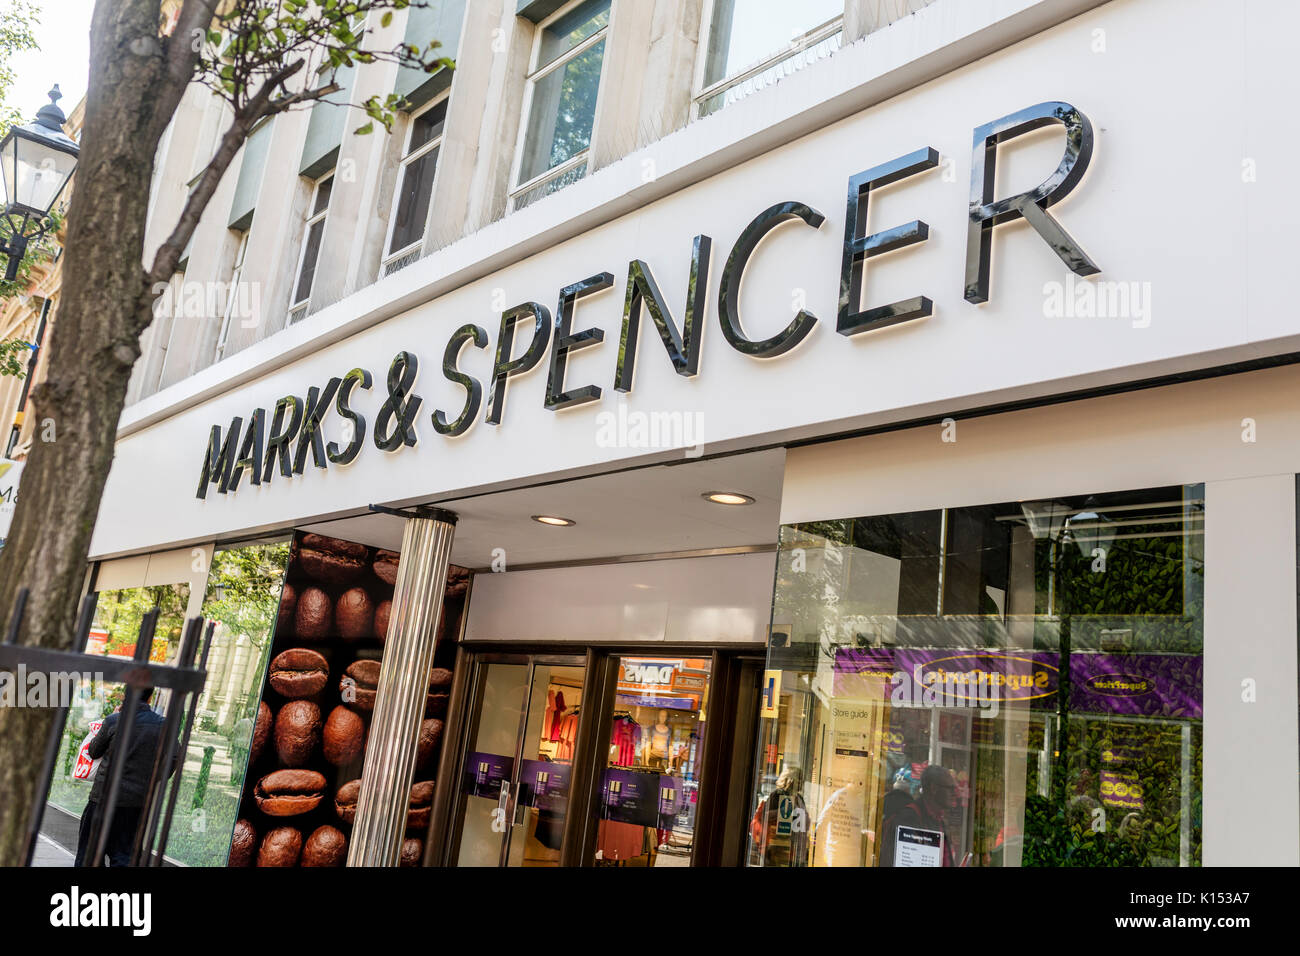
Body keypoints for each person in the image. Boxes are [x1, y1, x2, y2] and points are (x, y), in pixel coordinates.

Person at [74, 689, 170, 867]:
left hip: (103, 798)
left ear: (127, 695)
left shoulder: (114, 720)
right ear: (150, 697)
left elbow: (93, 751)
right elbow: (174, 756)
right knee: (124, 856)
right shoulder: (162, 725)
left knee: (90, 853)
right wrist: (153, 777)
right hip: (135, 803)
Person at [879, 765, 958, 867]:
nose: (954, 793)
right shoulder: (908, 818)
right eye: (950, 788)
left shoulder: (939, 819)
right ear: (934, 788)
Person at [749, 767, 808, 866]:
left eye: (802, 780)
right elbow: (766, 816)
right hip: (777, 846)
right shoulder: (778, 795)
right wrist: (783, 812)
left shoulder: (799, 798)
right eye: (799, 780)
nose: (802, 783)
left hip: (794, 847)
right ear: (790, 780)